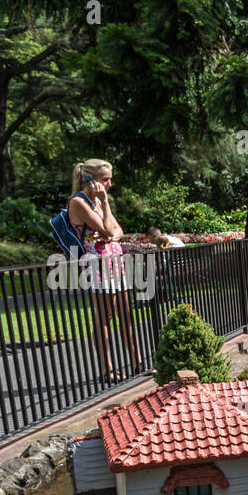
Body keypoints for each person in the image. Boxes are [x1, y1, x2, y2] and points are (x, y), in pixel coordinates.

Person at [67, 159, 144, 383]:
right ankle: (107, 370)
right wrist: (106, 205)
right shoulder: (78, 202)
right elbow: (107, 229)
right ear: (89, 179)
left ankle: (137, 364)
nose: (109, 184)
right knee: (104, 318)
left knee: (126, 315)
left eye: (110, 179)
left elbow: (117, 231)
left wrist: (111, 231)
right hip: (97, 266)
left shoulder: (97, 202)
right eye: (105, 179)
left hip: (114, 262)